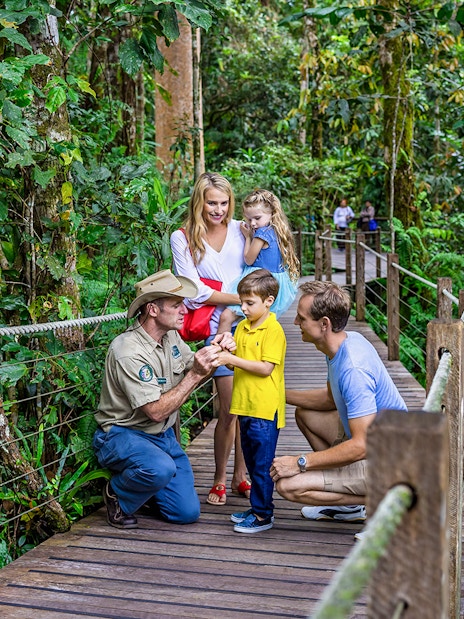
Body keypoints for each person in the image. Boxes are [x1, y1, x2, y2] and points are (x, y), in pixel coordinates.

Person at [92, 269, 231, 529]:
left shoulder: (171, 337)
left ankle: (146, 488)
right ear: (153, 310)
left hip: (162, 438)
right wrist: (195, 376)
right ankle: (117, 494)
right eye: (177, 305)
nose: (184, 311)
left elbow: (194, 363)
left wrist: (217, 349)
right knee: (159, 469)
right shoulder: (128, 351)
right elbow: (155, 411)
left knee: (186, 513)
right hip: (123, 434)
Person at [270, 280, 407, 523]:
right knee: (305, 414)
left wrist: (300, 463)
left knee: (288, 485)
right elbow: (330, 398)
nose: (295, 323)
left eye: (301, 319)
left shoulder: (353, 367)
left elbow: (361, 445)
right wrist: (277, 394)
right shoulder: (343, 343)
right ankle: (350, 502)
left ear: (324, 324)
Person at [170, 172, 251, 506]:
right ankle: (219, 477)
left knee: (251, 408)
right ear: (199, 202)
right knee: (229, 409)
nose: (218, 210)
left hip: (253, 326)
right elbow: (192, 293)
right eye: (211, 203)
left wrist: (243, 302)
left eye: (224, 202)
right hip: (216, 332)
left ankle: (241, 477)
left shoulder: (242, 230)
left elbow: (262, 271)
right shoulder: (183, 237)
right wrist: (244, 298)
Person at [214, 270, 286, 533]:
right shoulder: (243, 327)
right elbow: (240, 367)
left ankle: (264, 515)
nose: (242, 308)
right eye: (242, 302)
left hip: (265, 409)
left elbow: (266, 368)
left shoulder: (274, 330)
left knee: (262, 465)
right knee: (253, 460)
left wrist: (231, 360)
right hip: (244, 405)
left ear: (268, 301)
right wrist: (228, 350)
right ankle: (257, 506)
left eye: (249, 303)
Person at [217, 189, 300, 333]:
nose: (253, 223)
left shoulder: (261, 234)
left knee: (226, 317)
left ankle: (218, 353)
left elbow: (249, 259)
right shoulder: (277, 230)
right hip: (275, 282)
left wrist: (248, 237)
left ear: (271, 214)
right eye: (249, 219)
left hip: (259, 282)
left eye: (257, 218)